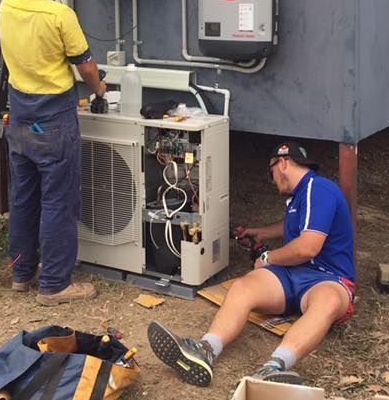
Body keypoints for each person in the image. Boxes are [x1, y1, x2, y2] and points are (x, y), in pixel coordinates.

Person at [147, 141, 355, 385]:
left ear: (283, 163)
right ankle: (205, 349)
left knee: (326, 303)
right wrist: (260, 232)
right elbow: (296, 224)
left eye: (271, 172)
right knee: (243, 287)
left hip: (328, 278)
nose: (273, 181)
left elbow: (307, 248)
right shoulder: (301, 195)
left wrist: (267, 258)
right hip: (291, 275)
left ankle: (274, 367)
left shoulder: (317, 189)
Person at [0, 0, 106, 305]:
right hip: (54, 121)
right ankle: (55, 284)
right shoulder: (62, 16)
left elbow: (38, 3)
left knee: (24, 197)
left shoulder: (7, 6)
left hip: (20, 118)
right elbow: (85, 66)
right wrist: (99, 88)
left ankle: (22, 274)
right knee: (59, 200)